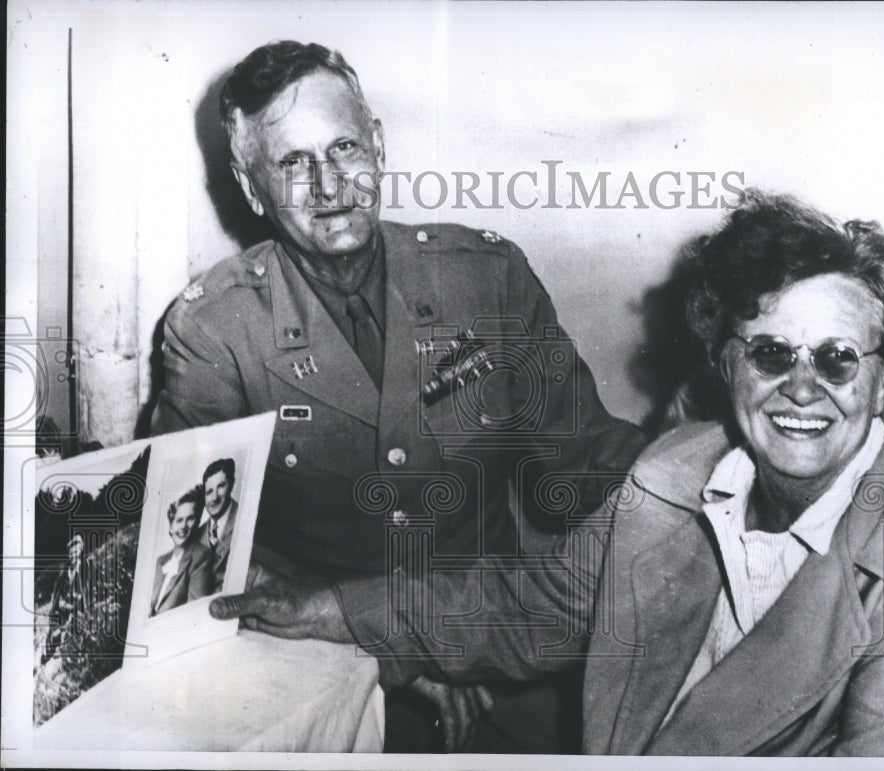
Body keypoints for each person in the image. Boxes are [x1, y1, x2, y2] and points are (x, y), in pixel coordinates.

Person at [213, 191, 884, 756]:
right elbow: (523, 608)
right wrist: (328, 611)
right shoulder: (679, 470)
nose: (801, 388)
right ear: (727, 361)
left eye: (836, 358)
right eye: (771, 352)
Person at [150, 41, 648, 751]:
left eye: (344, 147)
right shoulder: (215, 331)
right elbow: (200, 551)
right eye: (293, 163)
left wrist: (701, 476)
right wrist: (387, 654)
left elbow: (586, 460)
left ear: (377, 145)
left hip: (493, 651)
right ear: (252, 187)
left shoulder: (487, 278)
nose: (329, 184)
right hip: (322, 663)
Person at [151, 488, 214, 616]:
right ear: (171, 526)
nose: (183, 527)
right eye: (179, 520)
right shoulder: (161, 561)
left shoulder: (201, 557)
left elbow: (194, 613)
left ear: (197, 523)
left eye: (190, 519)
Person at [41, 534, 89, 664]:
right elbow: (56, 595)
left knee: (68, 636)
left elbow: (83, 592)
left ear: (81, 551)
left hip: (76, 611)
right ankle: (46, 659)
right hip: (62, 611)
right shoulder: (64, 573)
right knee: (53, 634)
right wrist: (55, 609)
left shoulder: (85, 568)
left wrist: (71, 605)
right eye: (71, 553)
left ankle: (65, 658)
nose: (73, 555)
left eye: (76, 552)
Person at [198, 458, 238, 592]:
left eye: (221, 486)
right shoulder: (197, 535)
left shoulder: (245, 517)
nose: (214, 497)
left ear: (231, 485)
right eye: (209, 492)